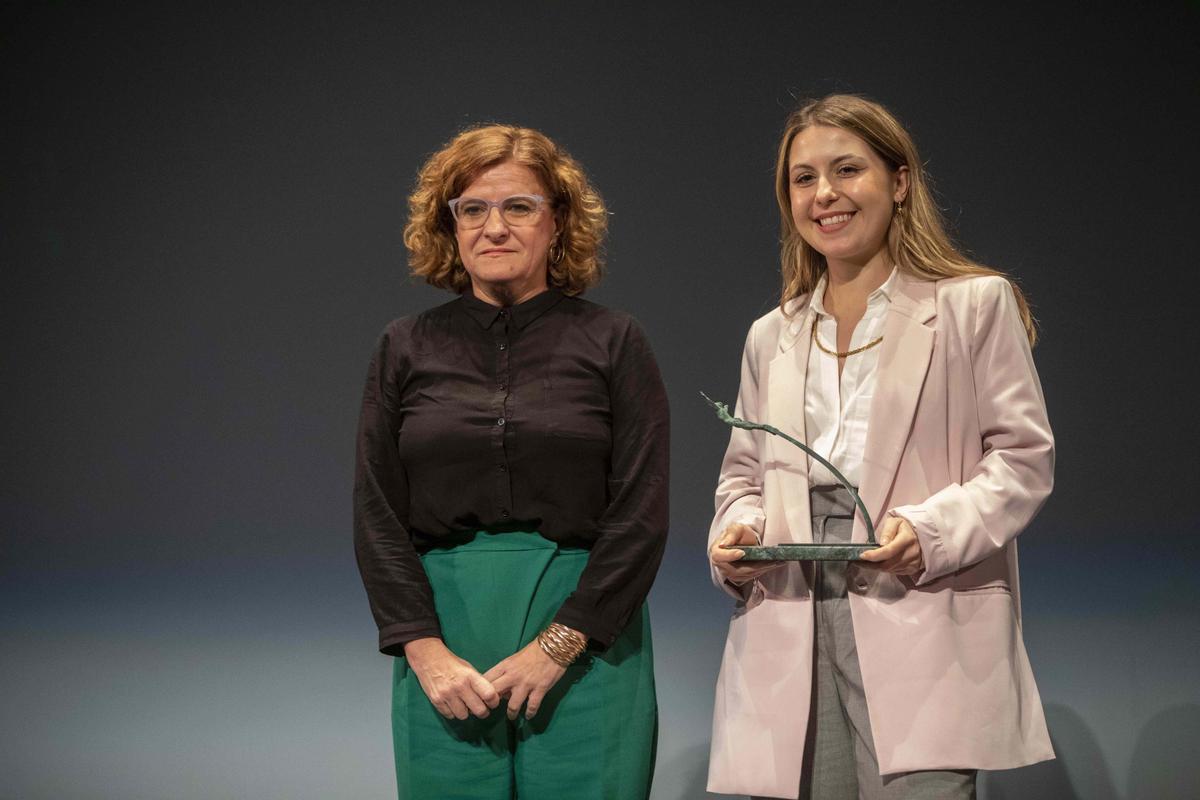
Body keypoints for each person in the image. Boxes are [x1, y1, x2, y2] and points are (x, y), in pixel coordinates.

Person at [705, 94, 1054, 800]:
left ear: (899, 182)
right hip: (793, 608)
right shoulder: (770, 335)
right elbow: (744, 474)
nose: (824, 194)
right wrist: (734, 533)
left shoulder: (972, 305)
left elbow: (1022, 458)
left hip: (917, 597)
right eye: (803, 179)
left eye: (846, 170)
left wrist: (930, 531)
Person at [354, 124, 667, 800]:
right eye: (473, 209)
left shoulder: (614, 340)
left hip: (589, 634)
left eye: (518, 206)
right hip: (445, 643)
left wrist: (561, 643)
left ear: (557, 224)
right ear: (451, 227)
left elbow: (641, 511)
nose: (494, 226)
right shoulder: (403, 346)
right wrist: (423, 649)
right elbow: (376, 512)